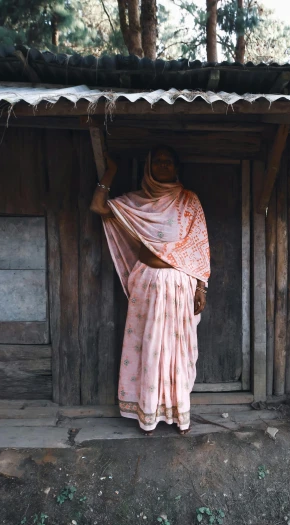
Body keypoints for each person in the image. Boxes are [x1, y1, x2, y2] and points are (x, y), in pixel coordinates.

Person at [89, 145, 210, 436]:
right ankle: (148, 414)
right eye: (158, 161)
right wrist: (111, 171)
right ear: (149, 167)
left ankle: (179, 412)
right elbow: (98, 206)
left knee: (178, 351)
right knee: (149, 347)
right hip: (147, 283)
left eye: (168, 161)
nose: (163, 165)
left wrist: (201, 287)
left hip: (180, 285)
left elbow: (199, 247)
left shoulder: (188, 201)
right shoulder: (136, 202)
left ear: (176, 167)